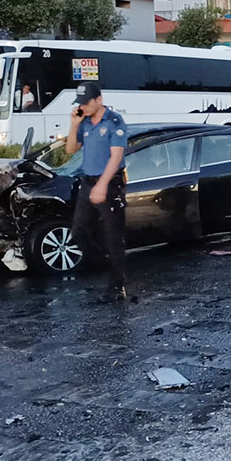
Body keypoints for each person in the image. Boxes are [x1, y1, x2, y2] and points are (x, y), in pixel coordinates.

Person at [65, 83, 129, 302]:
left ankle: (116, 287)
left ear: (98, 100)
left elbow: (116, 156)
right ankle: (105, 263)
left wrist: (102, 184)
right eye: (80, 103)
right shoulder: (84, 123)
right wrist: (74, 125)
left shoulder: (114, 122)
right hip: (88, 181)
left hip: (110, 184)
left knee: (113, 236)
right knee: (78, 231)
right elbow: (71, 149)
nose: (82, 106)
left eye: (86, 102)